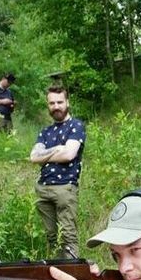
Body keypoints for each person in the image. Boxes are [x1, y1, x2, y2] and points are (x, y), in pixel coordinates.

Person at [30, 85, 86, 259]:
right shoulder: (45, 131)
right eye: (52, 103)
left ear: (67, 102)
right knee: (52, 237)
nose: (56, 106)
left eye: (60, 102)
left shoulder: (76, 125)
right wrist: (57, 149)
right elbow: (33, 157)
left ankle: (73, 274)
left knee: (68, 236)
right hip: (43, 188)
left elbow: (69, 154)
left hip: (65, 188)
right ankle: (58, 274)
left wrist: (46, 154)